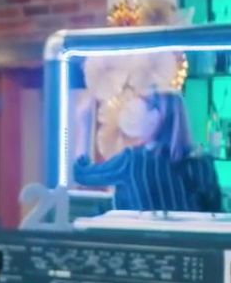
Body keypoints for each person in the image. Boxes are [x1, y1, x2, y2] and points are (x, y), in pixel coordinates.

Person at [71, 89, 223, 213]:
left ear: (155, 117)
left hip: (140, 241)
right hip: (192, 241)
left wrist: (82, 125)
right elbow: (215, 212)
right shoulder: (203, 163)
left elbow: (82, 174)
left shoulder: (132, 161)